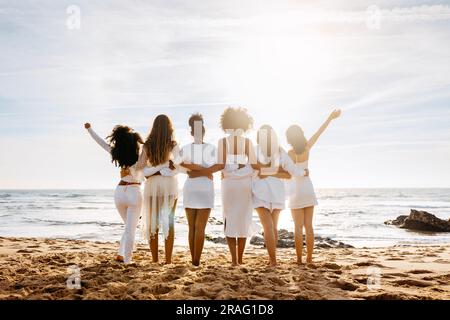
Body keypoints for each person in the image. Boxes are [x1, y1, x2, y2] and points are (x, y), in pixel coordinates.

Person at [188, 107, 259, 266]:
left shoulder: (223, 141)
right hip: (244, 184)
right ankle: (240, 259)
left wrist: (200, 173)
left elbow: (220, 165)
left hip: (229, 184)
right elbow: (253, 164)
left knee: (229, 218)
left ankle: (233, 260)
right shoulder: (247, 142)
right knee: (243, 219)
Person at [84, 122, 146, 264]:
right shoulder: (141, 155)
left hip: (119, 193)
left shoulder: (117, 153)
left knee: (128, 227)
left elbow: (100, 142)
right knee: (131, 229)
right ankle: (127, 260)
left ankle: (120, 254)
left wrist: (90, 130)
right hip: (134, 191)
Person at [286, 109, 341, 264]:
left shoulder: (290, 153)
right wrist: (330, 117)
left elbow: (289, 173)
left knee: (297, 227)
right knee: (308, 226)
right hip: (308, 188)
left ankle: (298, 259)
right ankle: (309, 258)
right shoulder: (307, 147)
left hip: (296, 191)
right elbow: (319, 132)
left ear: (289, 138)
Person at [252, 125, 309, 266]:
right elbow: (292, 172)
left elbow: (254, 168)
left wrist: (267, 172)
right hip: (275, 192)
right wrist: (302, 173)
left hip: (261, 191)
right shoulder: (278, 151)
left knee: (269, 227)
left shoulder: (256, 150)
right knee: (272, 227)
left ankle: (273, 260)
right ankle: (272, 259)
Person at [135, 115, 181, 264]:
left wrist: (153, 171)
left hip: (152, 185)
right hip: (169, 185)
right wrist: (164, 166)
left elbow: (140, 168)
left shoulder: (147, 145)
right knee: (169, 222)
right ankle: (168, 260)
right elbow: (178, 166)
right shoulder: (172, 144)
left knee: (152, 222)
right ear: (169, 127)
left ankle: (155, 260)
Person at [180, 113, 216, 266]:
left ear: (191, 132)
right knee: (200, 228)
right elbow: (216, 168)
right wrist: (205, 172)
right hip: (206, 188)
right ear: (204, 131)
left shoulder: (185, 149)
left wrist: (193, 172)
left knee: (191, 227)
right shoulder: (212, 148)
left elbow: (180, 168)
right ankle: (196, 261)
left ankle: (193, 259)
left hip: (191, 187)